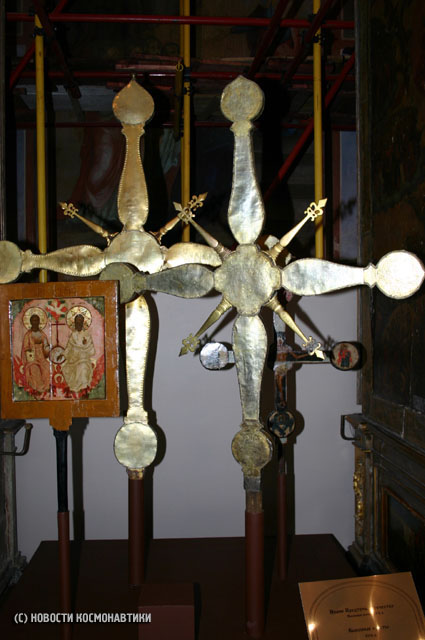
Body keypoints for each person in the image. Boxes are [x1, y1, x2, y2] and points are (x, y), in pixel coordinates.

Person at [62, 313, 96, 393]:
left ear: (83, 323)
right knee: (65, 369)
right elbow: (69, 347)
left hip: (83, 359)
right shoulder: (73, 335)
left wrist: (85, 344)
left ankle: (83, 390)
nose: (78, 324)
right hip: (73, 360)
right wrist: (63, 354)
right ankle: (75, 390)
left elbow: (92, 351)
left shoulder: (86, 335)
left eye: (80, 322)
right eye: (77, 322)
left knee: (82, 369)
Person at [21, 313, 51, 395]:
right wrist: (30, 349)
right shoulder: (28, 335)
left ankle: (46, 387)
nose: (35, 322)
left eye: (37, 320)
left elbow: (46, 346)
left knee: (47, 367)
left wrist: (46, 349)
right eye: (34, 321)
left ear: (39, 322)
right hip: (32, 359)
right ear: (31, 322)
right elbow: (25, 348)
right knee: (35, 369)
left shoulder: (42, 334)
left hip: (41, 358)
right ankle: (39, 389)